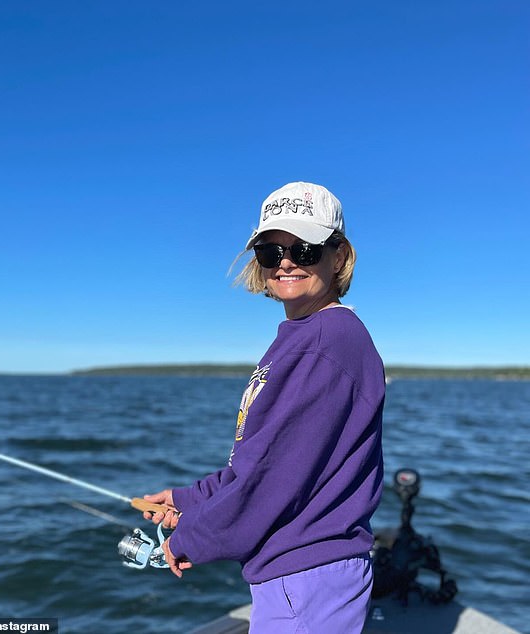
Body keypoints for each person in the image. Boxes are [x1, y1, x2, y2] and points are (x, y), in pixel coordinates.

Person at [142, 181, 385, 633]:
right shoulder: (304, 337)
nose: (286, 262)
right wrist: (187, 500)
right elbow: (260, 462)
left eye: (305, 249)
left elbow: (270, 481)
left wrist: (188, 538)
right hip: (297, 577)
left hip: (307, 580)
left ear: (339, 256)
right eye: (271, 252)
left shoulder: (323, 342)